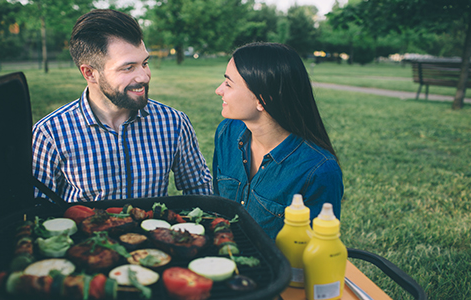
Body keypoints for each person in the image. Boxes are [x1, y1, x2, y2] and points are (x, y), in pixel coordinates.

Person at [32, 9, 212, 202]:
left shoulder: (173, 122)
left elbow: (199, 191)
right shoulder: (49, 134)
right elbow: (36, 211)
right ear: (89, 73)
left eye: (145, 63)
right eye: (128, 68)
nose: (144, 76)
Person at [212, 42, 343, 239]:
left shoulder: (319, 171)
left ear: (262, 100)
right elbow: (217, 209)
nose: (219, 90)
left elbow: (319, 246)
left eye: (228, 84)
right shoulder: (227, 132)